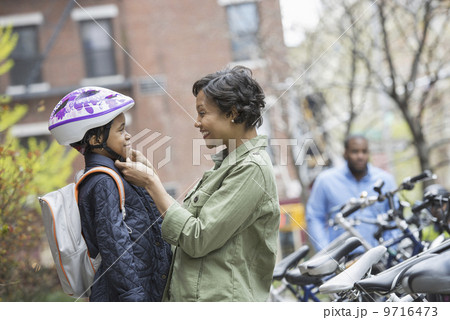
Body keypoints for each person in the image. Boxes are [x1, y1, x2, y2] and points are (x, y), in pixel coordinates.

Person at [115, 66, 280, 301]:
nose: (197, 122)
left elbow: (197, 238)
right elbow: (187, 223)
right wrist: (150, 175)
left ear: (232, 113)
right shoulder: (227, 165)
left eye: (203, 113)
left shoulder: (251, 169)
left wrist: (152, 184)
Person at [48, 87, 172, 301]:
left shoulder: (119, 173)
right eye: (121, 130)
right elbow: (116, 248)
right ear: (96, 139)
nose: (128, 135)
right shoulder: (103, 182)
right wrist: (133, 299)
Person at [306, 134, 397, 252]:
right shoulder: (325, 181)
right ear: (345, 153)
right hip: (341, 261)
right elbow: (314, 217)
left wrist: (389, 250)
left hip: (379, 259)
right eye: (355, 152)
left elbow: (395, 218)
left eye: (364, 152)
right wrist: (326, 253)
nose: (360, 156)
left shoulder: (385, 181)